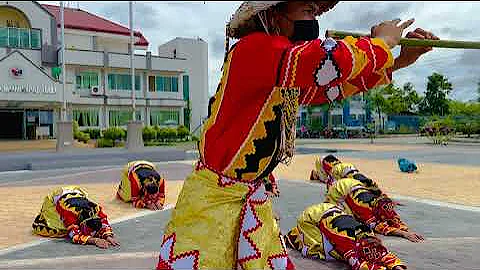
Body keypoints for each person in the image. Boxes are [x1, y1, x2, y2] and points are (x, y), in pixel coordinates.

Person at [156, 1, 438, 269]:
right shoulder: (256, 49)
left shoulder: (282, 68)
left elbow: (330, 87)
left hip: (247, 198)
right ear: (272, 15)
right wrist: (381, 43)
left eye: (316, 11)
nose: (314, 20)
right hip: (214, 202)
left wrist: (399, 60)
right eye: (307, 9)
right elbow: (325, 61)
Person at [284, 202, 407, 270]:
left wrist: (398, 267)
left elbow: (384, 253)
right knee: (326, 253)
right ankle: (291, 238)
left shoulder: (369, 235)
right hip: (311, 217)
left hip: (332, 212)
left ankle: (296, 235)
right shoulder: (347, 242)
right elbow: (358, 265)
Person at [325, 178, 424, 242]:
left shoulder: (380, 203)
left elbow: (394, 218)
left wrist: (407, 230)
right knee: (345, 218)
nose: (385, 219)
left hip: (354, 186)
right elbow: (380, 228)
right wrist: (403, 234)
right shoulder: (364, 208)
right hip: (338, 191)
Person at [32, 186, 120, 249]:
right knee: (59, 230)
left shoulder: (96, 209)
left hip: (76, 191)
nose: (92, 234)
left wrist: (108, 236)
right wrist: (94, 240)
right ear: (81, 223)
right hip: (53, 200)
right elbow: (74, 236)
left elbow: (104, 222)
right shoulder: (70, 214)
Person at [310, 154, 383, 195]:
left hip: (333, 165)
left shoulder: (345, 175)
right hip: (325, 162)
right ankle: (315, 174)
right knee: (326, 180)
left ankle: (316, 175)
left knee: (327, 179)